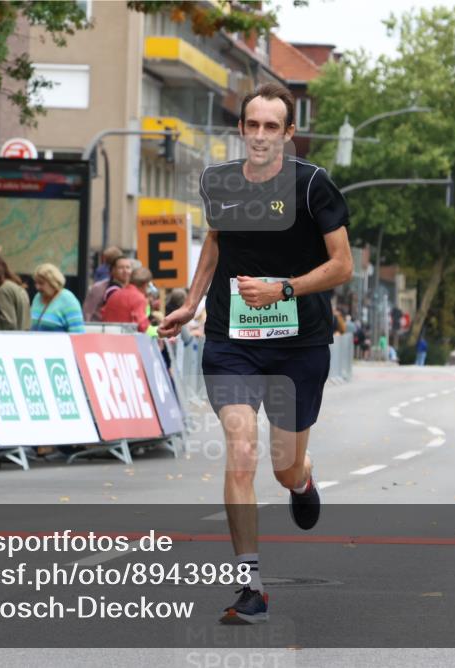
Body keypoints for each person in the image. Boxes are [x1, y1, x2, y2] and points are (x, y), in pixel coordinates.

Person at [158, 83, 353, 625]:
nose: (261, 135)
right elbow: (216, 240)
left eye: (272, 126)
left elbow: (342, 265)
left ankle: (302, 480)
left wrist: (283, 289)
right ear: (241, 129)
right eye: (253, 125)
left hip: (299, 345)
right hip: (232, 340)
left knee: (283, 467)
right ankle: (251, 586)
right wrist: (191, 303)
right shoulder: (219, 181)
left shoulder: (312, 186)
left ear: (289, 133)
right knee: (241, 450)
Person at [27, 263, 83, 333]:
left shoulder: (68, 300)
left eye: (41, 283)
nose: (37, 287)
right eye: (36, 283)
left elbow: (78, 333)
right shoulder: (37, 297)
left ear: (53, 282)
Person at [101, 266, 152, 332]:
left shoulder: (115, 294)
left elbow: (103, 315)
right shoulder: (139, 298)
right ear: (145, 285)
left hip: (108, 335)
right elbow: (141, 326)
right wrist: (150, 320)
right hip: (128, 337)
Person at [83, 254, 132, 322]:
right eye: (121, 268)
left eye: (128, 267)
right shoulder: (99, 288)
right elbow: (87, 312)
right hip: (99, 326)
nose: (125, 271)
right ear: (113, 270)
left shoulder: (132, 288)